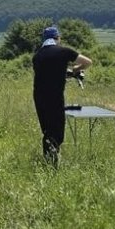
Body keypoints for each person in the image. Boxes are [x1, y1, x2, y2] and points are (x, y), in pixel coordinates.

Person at [32, 24, 92, 165]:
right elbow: (88, 62)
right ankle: (53, 160)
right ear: (57, 38)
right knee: (58, 131)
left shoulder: (37, 56)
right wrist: (77, 68)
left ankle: (49, 160)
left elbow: (48, 74)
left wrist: (65, 74)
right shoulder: (64, 51)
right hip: (55, 96)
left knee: (47, 129)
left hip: (39, 97)